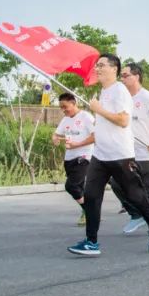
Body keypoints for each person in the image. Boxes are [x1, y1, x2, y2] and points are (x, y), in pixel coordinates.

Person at [67, 54, 149, 256]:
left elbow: (123, 121)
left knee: (135, 195)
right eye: (97, 65)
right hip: (100, 155)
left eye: (101, 65)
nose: (97, 68)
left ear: (114, 69)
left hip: (120, 155)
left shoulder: (120, 90)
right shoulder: (104, 91)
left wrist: (98, 109)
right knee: (91, 196)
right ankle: (91, 242)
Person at [108, 62, 149, 237]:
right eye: (121, 76)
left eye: (125, 75)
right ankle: (137, 215)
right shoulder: (124, 99)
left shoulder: (147, 97)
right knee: (116, 183)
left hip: (146, 154)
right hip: (127, 152)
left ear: (136, 77)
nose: (122, 79)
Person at [53, 93, 96, 227]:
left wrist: (77, 144)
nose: (63, 110)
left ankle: (89, 211)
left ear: (73, 103)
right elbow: (56, 133)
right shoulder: (65, 120)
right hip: (69, 158)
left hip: (83, 157)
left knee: (71, 186)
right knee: (79, 188)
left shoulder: (86, 117)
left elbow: (96, 136)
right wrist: (55, 138)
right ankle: (90, 211)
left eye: (65, 106)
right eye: (61, 107)